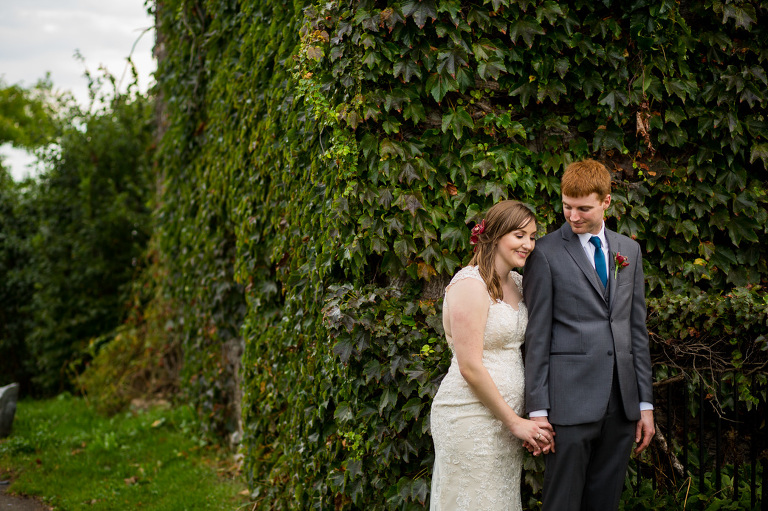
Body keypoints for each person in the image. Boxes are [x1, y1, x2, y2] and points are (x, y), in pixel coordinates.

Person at [523, 159, 655, 511]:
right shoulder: (546, 253)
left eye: (583, 208)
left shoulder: (629, 250)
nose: (573, 215)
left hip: (622, 403)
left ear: (606, 202)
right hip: (569, 404)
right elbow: (537, 333)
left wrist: (644, 404)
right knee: (562, 503)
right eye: (567, 206)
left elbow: (635, 330)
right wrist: (538, 409)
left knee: (605, 502)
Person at [430, 200, 554, 510]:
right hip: (469, 416)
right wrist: (515, 423)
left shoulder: (517, 283)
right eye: (519, 235)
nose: (528, 244)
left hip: (505, 425)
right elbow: (470, 367)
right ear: (496, 235)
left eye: (532, 236)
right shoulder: (469, 285)